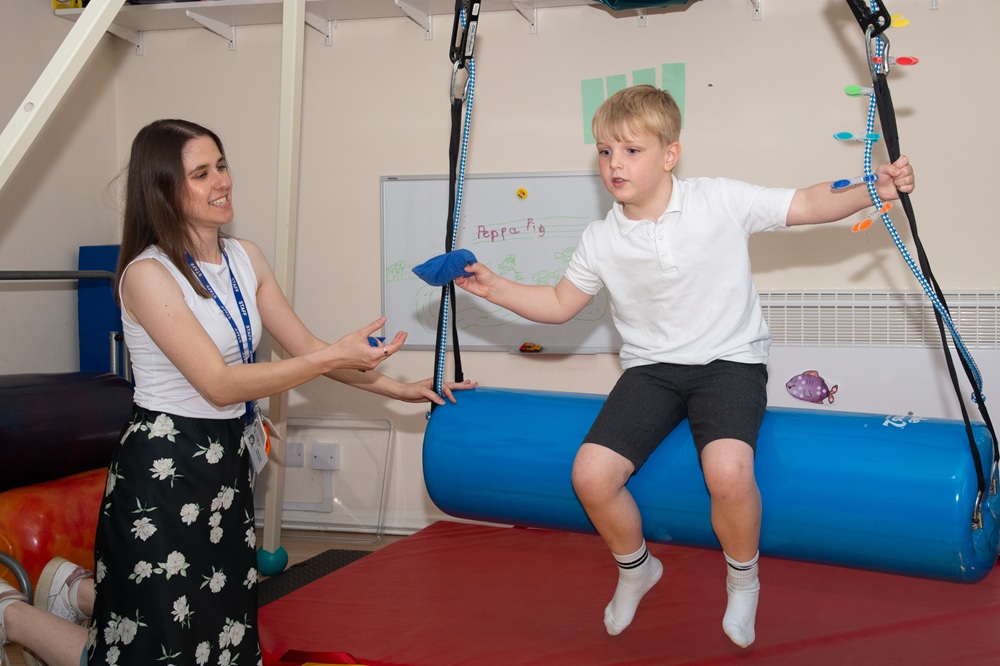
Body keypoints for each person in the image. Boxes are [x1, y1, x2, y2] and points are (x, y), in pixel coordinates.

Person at [0, 118, 474, 666]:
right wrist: (329, 356)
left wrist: (400, 388)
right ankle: (15, 612)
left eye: (220, 165)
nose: (221, 181)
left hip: (225, 467)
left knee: (221, 635)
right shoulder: (146, 276)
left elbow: (307, 345)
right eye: (200, 173)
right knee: (150, 650)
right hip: (164, 468)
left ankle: (73, 591)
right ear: (163, 191)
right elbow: (219, 383)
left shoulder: (245, 257)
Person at [455, 84, 914, 648]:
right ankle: (636, 568)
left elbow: (808, 202)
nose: (614, 164)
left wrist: (875, 187)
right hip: (651, 371)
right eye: (604, 151)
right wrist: (492, 285)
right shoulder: (600, 240)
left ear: (670, 153)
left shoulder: (717, 200)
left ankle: (743, 580)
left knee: (728, 474)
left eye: (630, 150)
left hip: (729, 363)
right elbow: (557, 306)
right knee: (590, 476)